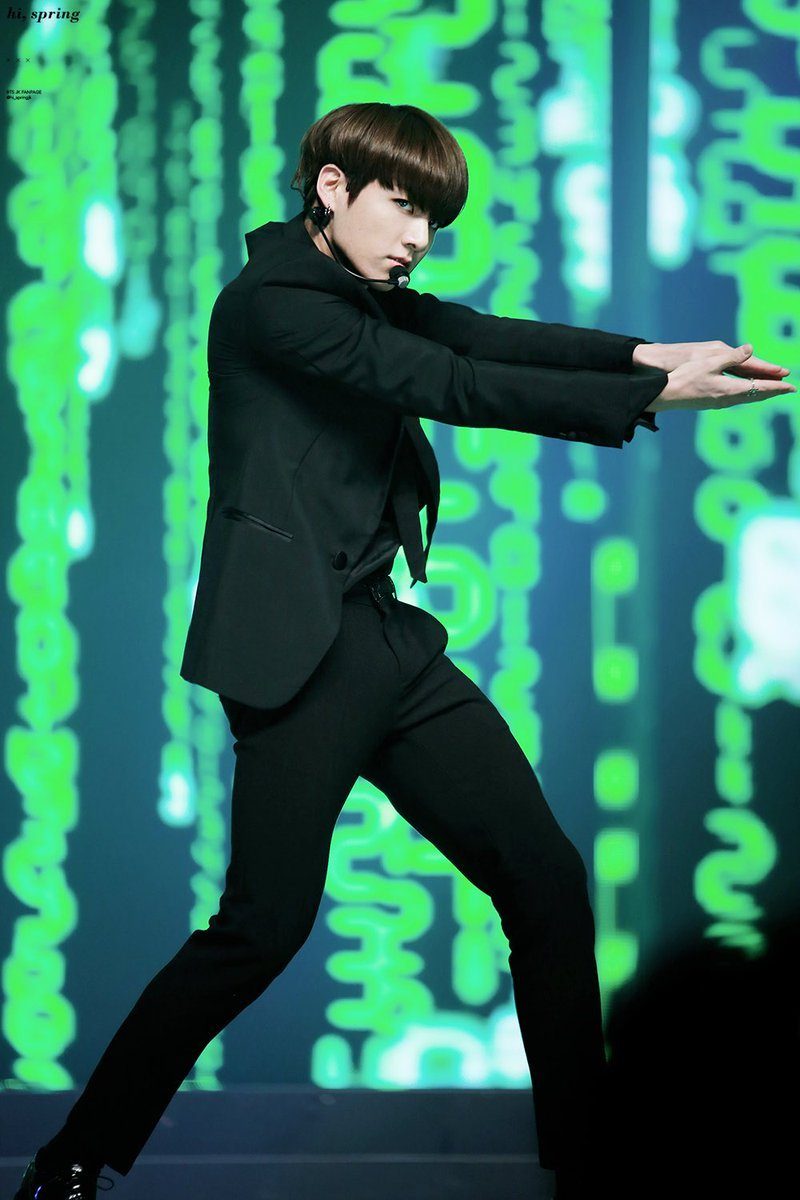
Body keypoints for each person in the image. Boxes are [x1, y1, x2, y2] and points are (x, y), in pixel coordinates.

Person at [15, 102, 794, 1200]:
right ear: (332, 188)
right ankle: (71, 1162)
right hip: (300, 655)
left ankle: (591, 1169)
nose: (419, 236)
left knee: (544, 881)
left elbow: (479, 336)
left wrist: (646, 353)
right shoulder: (275, 305)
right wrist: (653, 395)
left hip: (385, 641)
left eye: (434, 218)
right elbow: (452, 385)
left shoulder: (358, 294)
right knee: (260, 931)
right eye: (403, 206)